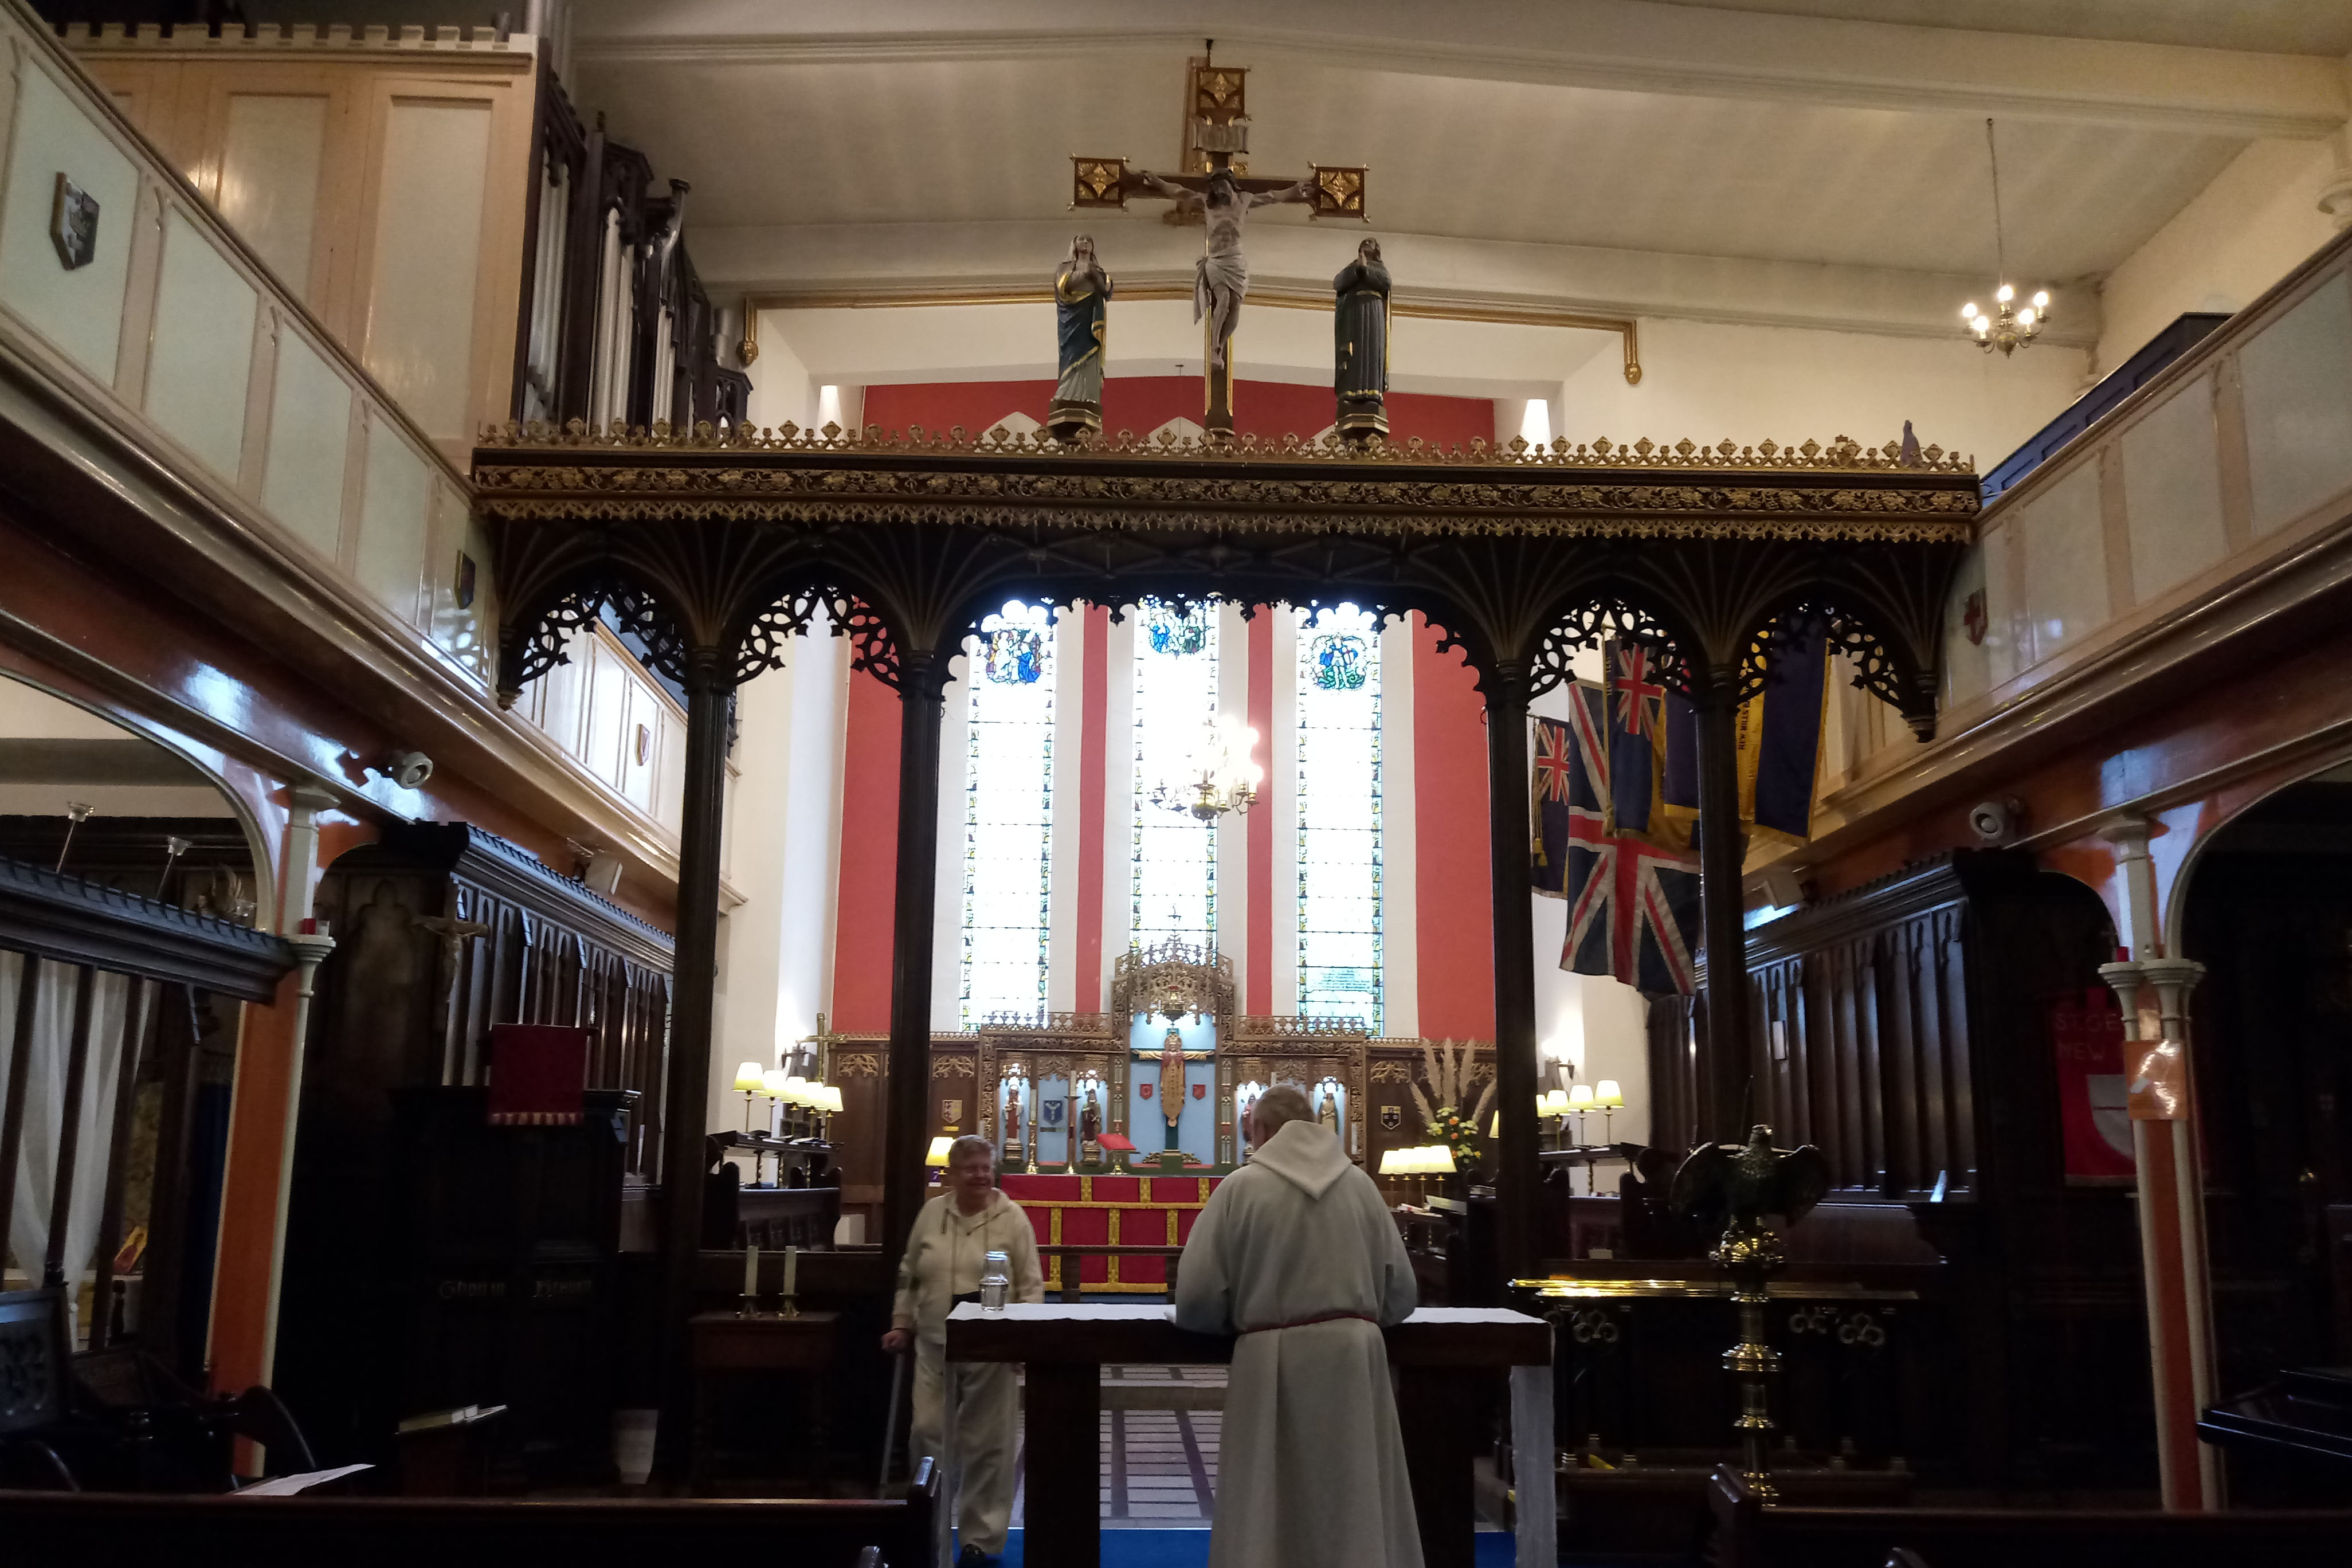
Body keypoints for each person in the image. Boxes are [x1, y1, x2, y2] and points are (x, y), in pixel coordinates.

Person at [1175, 1084, 1421, 1568]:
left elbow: (1199, 1298)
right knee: (1354, 1499)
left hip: (1271, 1362)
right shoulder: (1361, 1187)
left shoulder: (1242, 1188)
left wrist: (1237, 1321)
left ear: (1262, 1130)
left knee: (1269, 1502)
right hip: (1356, 1363)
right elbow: (1401, 1294)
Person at [883, 1134, 1044, 1568]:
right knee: (927, 1432)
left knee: (988, 1445)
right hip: (936, 1344)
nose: (979, 1175)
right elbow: (910, 1272)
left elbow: (1030, 1284)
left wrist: (1023, 1340)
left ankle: (980, 1541)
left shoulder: (1013, 1218)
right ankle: (929, 1530)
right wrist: (902, 1322)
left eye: (985, 1167)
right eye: (970, 1167)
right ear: (950, 1174)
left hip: (993, 1349)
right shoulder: (932, 1214)